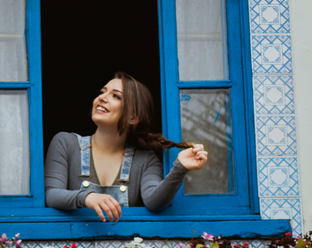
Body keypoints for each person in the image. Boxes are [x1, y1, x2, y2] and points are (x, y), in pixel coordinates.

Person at [44, 72, 209, 220]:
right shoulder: (65, 143)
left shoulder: (146, 159)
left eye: (116, 96)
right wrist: (87, 197)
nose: (102, 98)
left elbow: (154, 202)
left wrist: (179, 169)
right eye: (102, 92)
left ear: (133, 118)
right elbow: (51, 194)